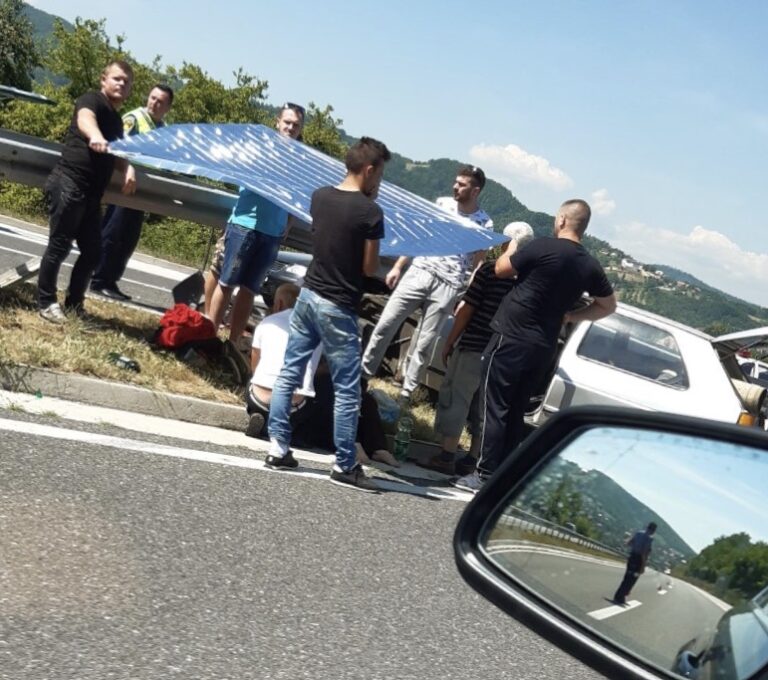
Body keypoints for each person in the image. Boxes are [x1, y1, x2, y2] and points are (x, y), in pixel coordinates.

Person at [453, 199, 617, 493]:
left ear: (563, 220)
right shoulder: (589, 264)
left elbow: (501, 269)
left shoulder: (542, 246)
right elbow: (607, 305)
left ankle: (484, 473)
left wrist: (514, 243)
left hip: (511, 336)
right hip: (544, 346)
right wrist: (572, 316)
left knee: (495, 407)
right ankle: (502, 475)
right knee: (516, 411)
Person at [266, 137, 391, 493]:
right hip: (339, 305)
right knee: (348, 387)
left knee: (290, 370)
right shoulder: (370, 212)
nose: (379, 182)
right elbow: (368, 267)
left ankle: (278, 449)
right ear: (369, 170)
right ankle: (343, 465)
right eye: (379, 175)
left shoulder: (320, 196)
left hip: (308, 295)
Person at [361, 165, 494, 399]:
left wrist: (468, 297)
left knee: (424, 342)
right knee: (386, 323)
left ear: (475, 191)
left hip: (449, 282)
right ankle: (363, 375)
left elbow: (478, 265)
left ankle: (406, 392)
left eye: (462, 184)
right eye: (456, 182)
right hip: (420, 270)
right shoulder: (442, 203)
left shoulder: (484, 222)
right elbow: (420, 237)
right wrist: (398, 266)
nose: (455, 187)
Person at [420, 222, 534, 476]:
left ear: (506, 242)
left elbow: (467, 309)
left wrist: (450, 340)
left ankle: (447, 455)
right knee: (486, 408)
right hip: (501, 353)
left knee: (457, 398)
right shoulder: (529, 280)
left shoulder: (490, 271)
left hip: (473, 344)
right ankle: (474, 459)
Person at [37, 60, 137, 323]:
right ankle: (46, 302)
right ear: (104, 80)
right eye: (117, 78)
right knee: (59, 246)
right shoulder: (91, 100)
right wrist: (94, 136)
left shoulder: (116, 120)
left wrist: (128, 169)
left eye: (126, 82)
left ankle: (74, 305)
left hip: (92, 195)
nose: (121, 84)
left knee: (93, 252)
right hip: (70, 183)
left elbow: (117, 152)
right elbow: (85, 119)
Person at [205, 103, 305, 342]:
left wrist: (289, 222)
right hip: (244, 225)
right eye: (287, 122)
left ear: (300, 129)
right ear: (277, 122)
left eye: (296, 125)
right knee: (226, 283)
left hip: (272, 232)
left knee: (249, 291)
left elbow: (298, 196)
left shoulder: (300, 159)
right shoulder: (260, 147)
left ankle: (233, 342)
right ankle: (208, 337)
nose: (290, 128)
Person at [91, 84, 174, 301]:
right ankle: (99, 279)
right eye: (152, 98)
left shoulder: (164, 129)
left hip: (142, 191)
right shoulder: (135, 119)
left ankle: (111, 280)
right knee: (113, 233)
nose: (154, 103)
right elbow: (120, 147)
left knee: (128, 238)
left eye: (160, 101)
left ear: (168, 107)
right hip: (126, 185)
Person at [613, 522, 657, 605]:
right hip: (639, 561)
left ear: (647, 527)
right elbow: (644, 553)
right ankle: (621, 597)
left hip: (632, 557)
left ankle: (618, 595)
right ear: (654, 530)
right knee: (632, 579)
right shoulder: (649, 539)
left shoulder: (639, 533)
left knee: (626, 577)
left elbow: (629, 543)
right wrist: (643, 566)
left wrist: (635, 546)